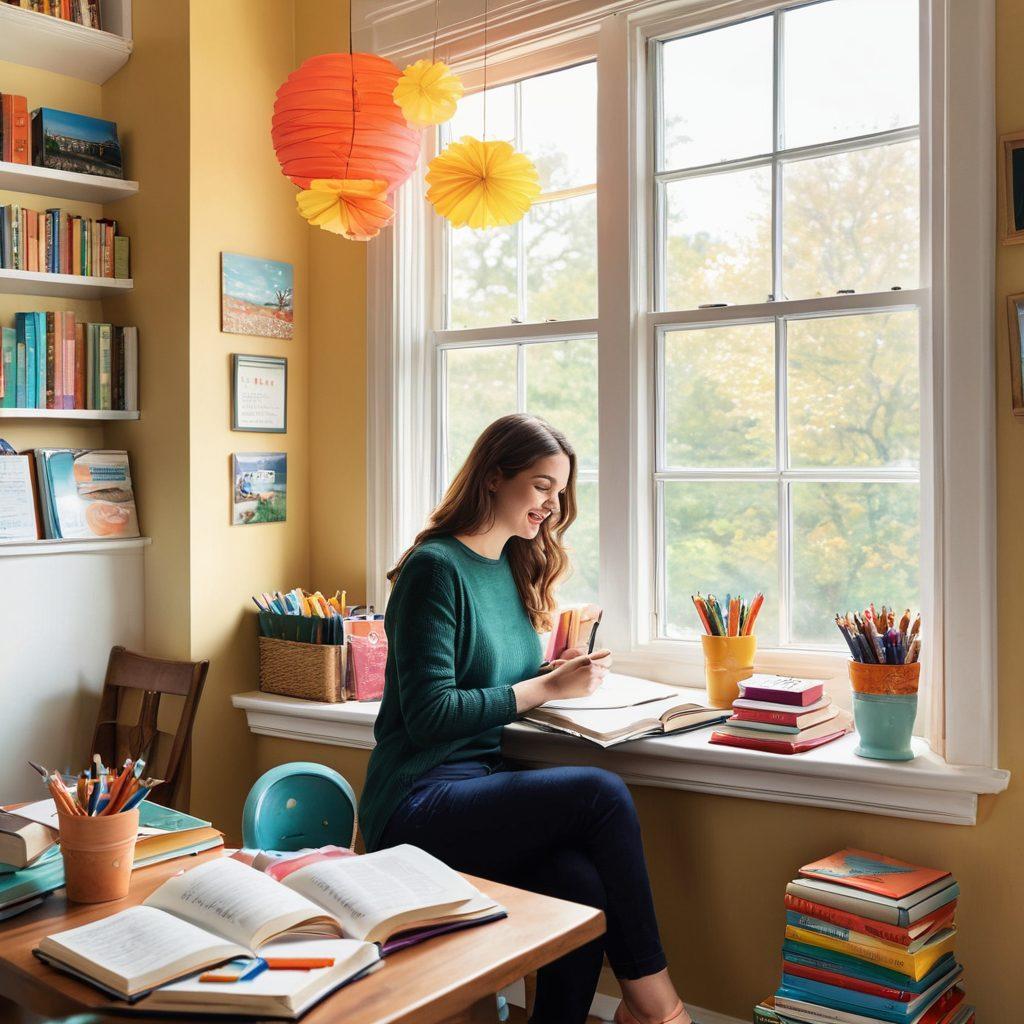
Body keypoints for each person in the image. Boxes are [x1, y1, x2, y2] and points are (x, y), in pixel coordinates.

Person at [360, 413, 692, 1024]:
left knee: (580, 887)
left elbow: (489, 681)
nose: (551, 504)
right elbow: (432, 714)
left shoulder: (512, 566)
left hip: (476, 784)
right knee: (600, 793)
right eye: (541, 485)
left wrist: (557, 674)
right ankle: (655, 1004)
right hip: (414, 798)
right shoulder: (435, 568)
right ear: (493, 476)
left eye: (560, 491)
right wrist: (545, 687)